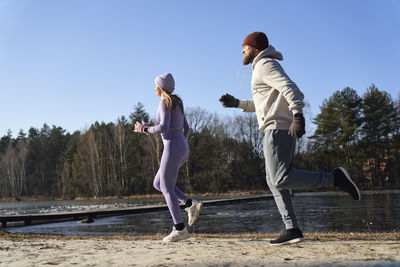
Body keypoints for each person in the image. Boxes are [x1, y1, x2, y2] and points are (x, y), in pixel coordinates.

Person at [219, 32, 361, 246]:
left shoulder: (266, 64)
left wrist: (298, 115)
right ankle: (292, 229)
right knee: (274, 181)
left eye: (245, 46)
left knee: (280, 179)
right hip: (272, 127)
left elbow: (290, 88)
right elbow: (263, 104)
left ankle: (334, 178)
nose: (242, 50)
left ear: (255, 47)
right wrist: (237, 103)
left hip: (278, 129)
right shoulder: (261, 67)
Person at [135, 73, 203, 242]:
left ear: (161, 87)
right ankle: (189, 204)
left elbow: (164, 126)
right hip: (181, 146)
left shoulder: (164, 102)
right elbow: (186, 128)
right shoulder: (177, 103)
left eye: (156, 85)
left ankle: (179, 229)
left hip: (173, 146)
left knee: (166, 187)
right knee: (158, 183)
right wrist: (180, 143)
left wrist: (145, 129)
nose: (154, 88)